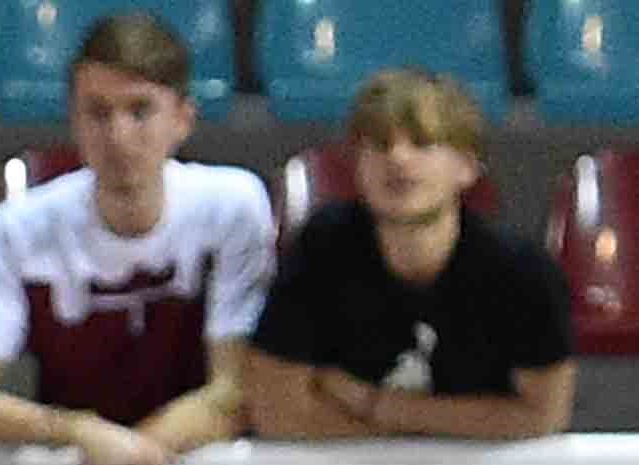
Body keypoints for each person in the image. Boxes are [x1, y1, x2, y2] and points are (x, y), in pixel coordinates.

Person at [0, 14, 270, 465]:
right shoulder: (21, 226)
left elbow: (234, 394)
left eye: (140, 111)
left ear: (183, 119)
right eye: (98, 112)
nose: (118, 135)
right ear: (73, 120)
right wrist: (78, 432)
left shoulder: (232, 205)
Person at [243, 68, 572, 445]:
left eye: (422, 143)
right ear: (358, 166)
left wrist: (375, 404)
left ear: (467, 167)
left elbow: (542, 417)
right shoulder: (322, 247)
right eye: (381, 145)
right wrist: (436, 431)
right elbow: (276, 413)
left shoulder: (522, 271)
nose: (398, 159)